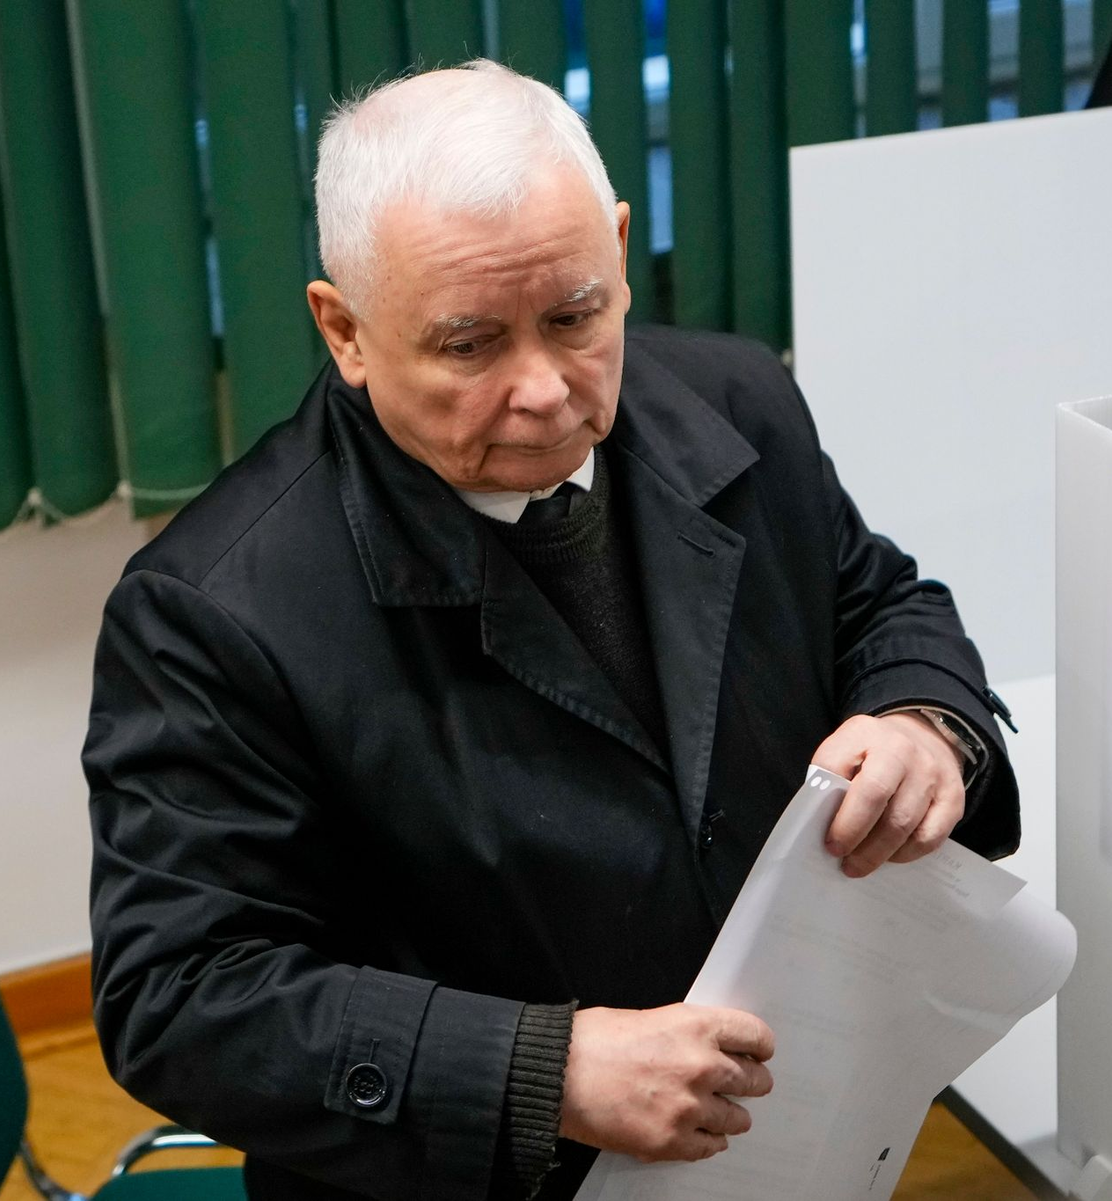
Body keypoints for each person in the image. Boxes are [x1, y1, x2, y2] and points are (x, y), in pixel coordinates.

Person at [84, 60, 1018, 1201]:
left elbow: (873, 600)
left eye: (575, 317)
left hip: (792, 1137)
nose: (542, 389)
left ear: (618, 251)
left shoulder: (735, 398)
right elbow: (181, 996)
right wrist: (542, 1069)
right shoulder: (208, 610)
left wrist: (923, 720)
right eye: (469, 344)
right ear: (346, 330)